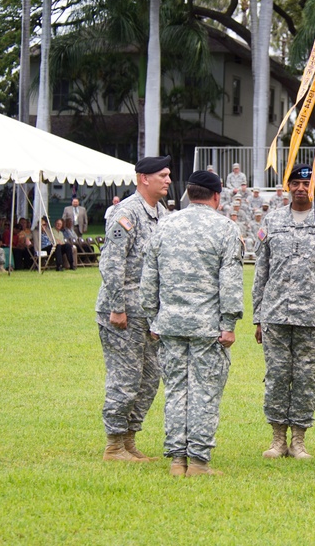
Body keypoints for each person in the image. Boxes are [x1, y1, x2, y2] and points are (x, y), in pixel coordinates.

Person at [141, 170, 243, 477]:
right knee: (205, 391)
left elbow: (149, 279)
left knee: (175, 391)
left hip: (169, 324)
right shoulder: (225, 228)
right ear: (216, 196)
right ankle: (198, 461)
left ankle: (177, 460)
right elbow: (230, 282)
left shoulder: (164, 225)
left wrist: (151, 317)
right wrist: (229, 324)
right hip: (207, 326)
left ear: (188, 193)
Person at [94, 156, 172, 463]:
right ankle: (114, 444)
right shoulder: (126, 212)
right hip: (123, 310)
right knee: (125, 377)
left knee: (149, 378)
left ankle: (129, 439)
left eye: (168, 175)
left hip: (148, 313)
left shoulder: (160, 213)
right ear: (144, 178)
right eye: (162, 175)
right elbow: (111, 261)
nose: (168, 180)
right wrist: (117, 307)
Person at [251, 164, 315, 460]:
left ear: (314, 186)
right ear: (287, 186)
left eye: (306, 183)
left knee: (305, 377)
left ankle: (299, 440)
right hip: (275, 313)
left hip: (311, 315)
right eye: (294, 183)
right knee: (278, 375)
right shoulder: (273, 219)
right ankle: (278, 439)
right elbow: (261, 270)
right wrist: (258, 316)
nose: (300, 188)